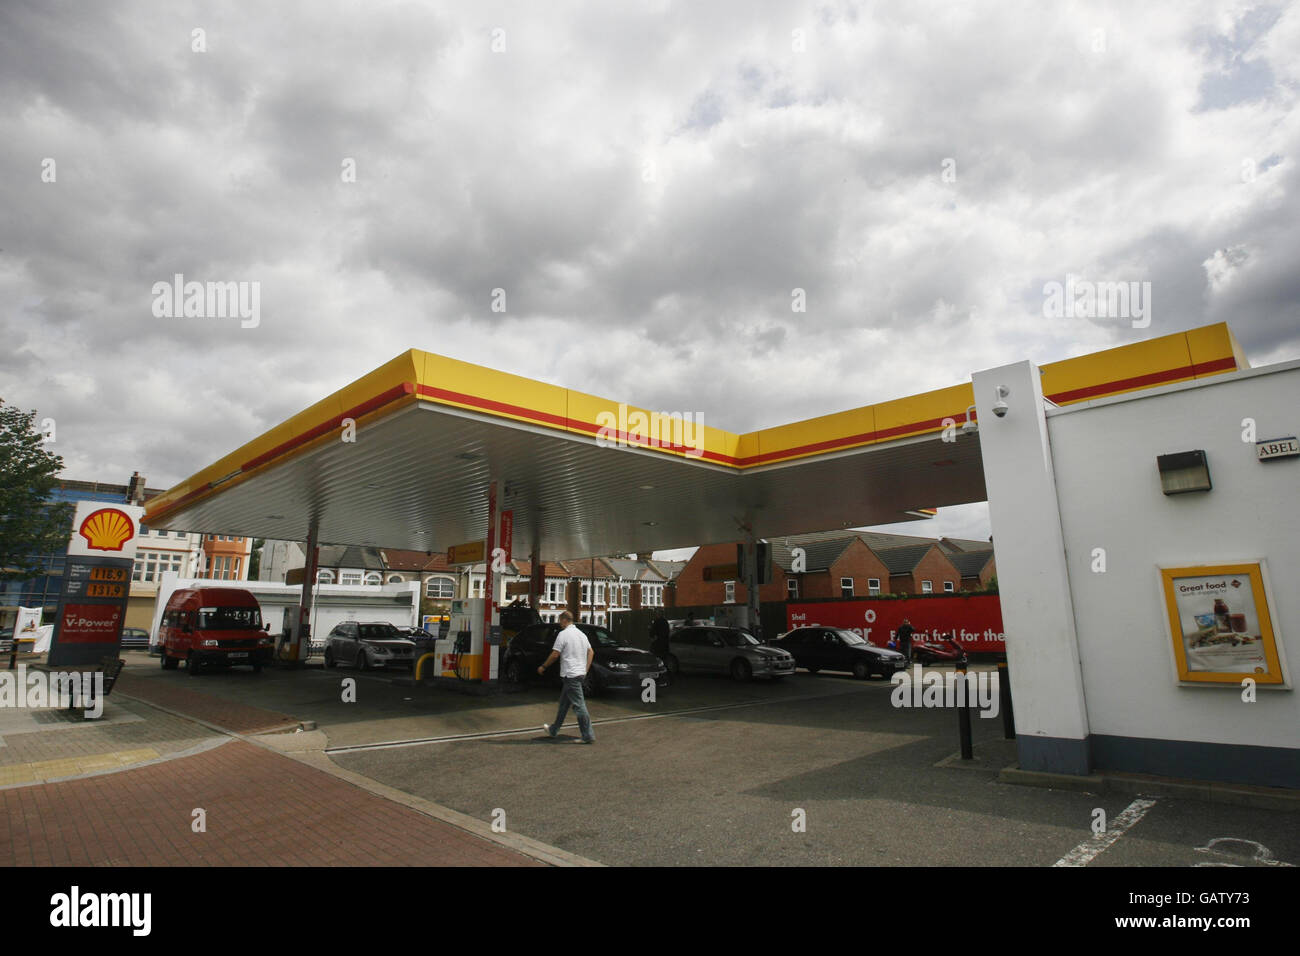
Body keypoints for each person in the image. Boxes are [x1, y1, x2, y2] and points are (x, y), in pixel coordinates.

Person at [540, 611, 595, 744]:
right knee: (564, 704)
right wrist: (585, 670)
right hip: (579, 674)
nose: (559, 623)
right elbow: (591, 652)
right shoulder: (582, 635)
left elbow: (555, 654)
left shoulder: (563, 634)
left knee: (579, 706)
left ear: (565, 620)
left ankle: (587, 735)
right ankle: (554, 729)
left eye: (560, 620)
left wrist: (543, 666)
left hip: (570, 674)